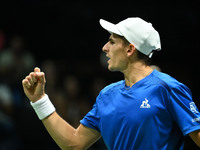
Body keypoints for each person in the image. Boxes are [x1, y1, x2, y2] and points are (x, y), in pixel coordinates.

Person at [22, 17, 200, 150]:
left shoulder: (167, 88)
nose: (104, 48)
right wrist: (39, 100)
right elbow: (74, 144)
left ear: (130, 49)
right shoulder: (106, 95)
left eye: (112, 42)